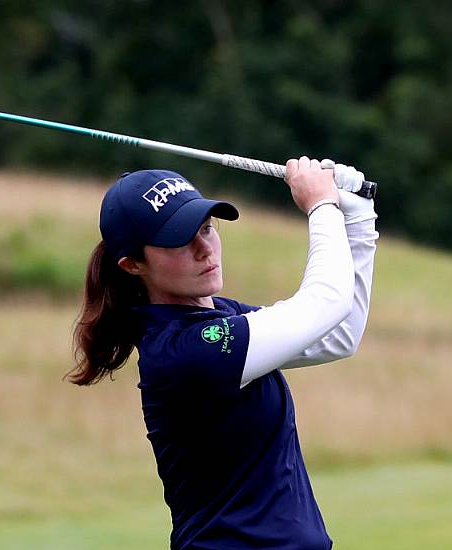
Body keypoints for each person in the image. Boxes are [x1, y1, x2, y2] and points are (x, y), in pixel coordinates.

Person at [69, 158, 378, 549]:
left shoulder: (219, 317)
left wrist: (357, 214)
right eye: (179, 240)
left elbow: (338, 333)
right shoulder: (186, 350)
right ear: (133, 265)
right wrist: (321, 206)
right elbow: (324, 304)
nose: (204, 248)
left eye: (206, 229)